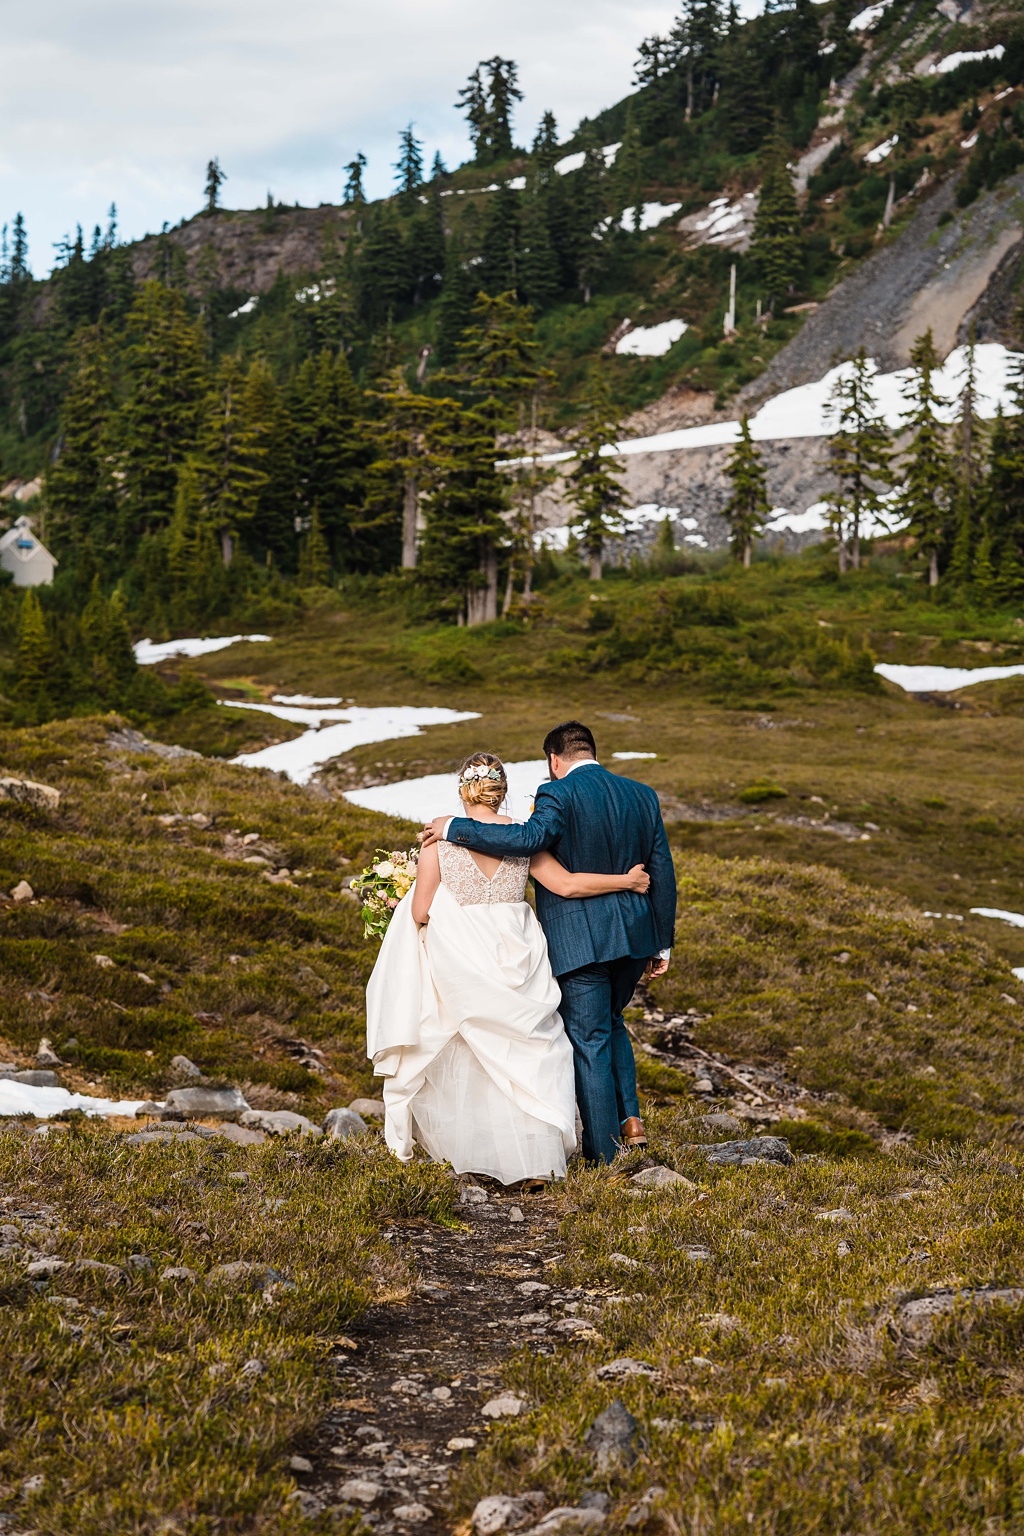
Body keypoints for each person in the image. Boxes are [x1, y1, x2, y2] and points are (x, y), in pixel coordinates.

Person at [366, 751, 652, 1184]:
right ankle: (535, 1162)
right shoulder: (524, 840)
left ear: (464, 790)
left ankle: (476, 1155)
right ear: (499, 792)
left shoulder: (438, 845)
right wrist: (626, 881)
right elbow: (568, 886)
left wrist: (407, 897)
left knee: (470, 1050)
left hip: (463, 954)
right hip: (518, 950)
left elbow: (421, 912)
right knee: (531, 1049)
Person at [421, 720, 676, 1165]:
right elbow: (663, 872)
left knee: (590, 1036)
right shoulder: (642, 794)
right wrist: (662, 942)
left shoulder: (556, 793)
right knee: (612, 1021)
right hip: (635, 937)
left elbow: (528, 840)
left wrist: (453, 828)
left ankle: (603, 1156)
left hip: (580, 940)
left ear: (555, 760)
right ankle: (630, 1120)